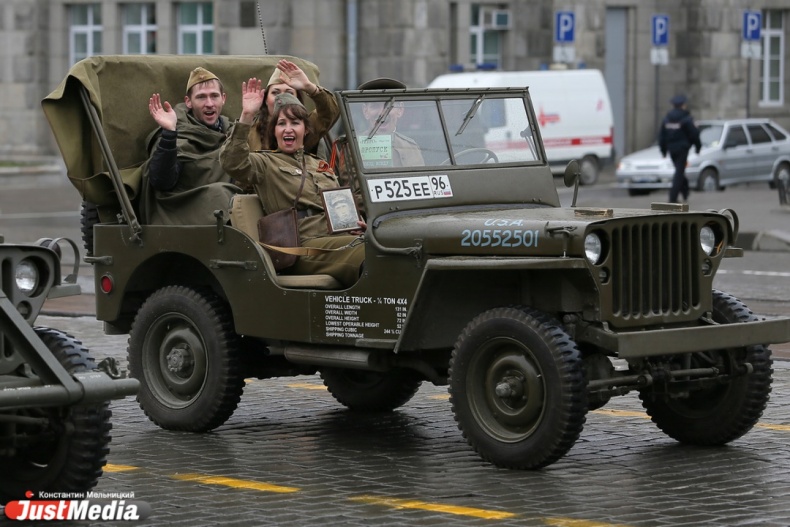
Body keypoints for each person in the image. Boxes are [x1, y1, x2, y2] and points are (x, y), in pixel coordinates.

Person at [220, 81, 364, 288]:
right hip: (300, 246)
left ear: (306, 130)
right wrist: (246, 117)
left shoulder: (320, 164)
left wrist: (356, 224)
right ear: (274, 132)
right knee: (370, 252)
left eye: (295, 122)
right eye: (281, 124)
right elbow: (232, 162)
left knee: (387, 247)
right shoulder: (265, 163)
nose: (288, 129)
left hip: (338, 238)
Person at [141, 67, 240, 225]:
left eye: (214, 96)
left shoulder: (231, 132)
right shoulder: (177, 133)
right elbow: (162, 181)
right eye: (201, 97)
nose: (209, 104)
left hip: (224, 213)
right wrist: (169, 134)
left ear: (223, 98)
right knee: (221, 194)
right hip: (179, 211)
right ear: (188, 102)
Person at [247, 59, 339, 156]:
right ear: (265, 100)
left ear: (297, 100)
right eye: (275, 93)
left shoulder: (303, 127)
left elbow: (329, 112)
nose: (281, 98)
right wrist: (246, 115)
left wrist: (309, 87)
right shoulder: (250, 131)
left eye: (289, 93)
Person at [358, 78, 425, 167]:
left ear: (400, 109)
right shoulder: (354, 147)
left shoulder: (411, 147)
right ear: (365, 111)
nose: (382, 113)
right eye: (375, 106)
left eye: (389, 106)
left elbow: (419, 177)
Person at [659, 94, 701, 204]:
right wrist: (698, 147)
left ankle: (685, 191)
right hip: (682, 149)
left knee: (679, 170)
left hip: (671, 149)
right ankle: (673, 197)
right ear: (683, 105)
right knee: (679, 171)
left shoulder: (667, 118)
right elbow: (694, 134)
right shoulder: (686, 118)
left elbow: (662, 136)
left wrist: (663, 150)